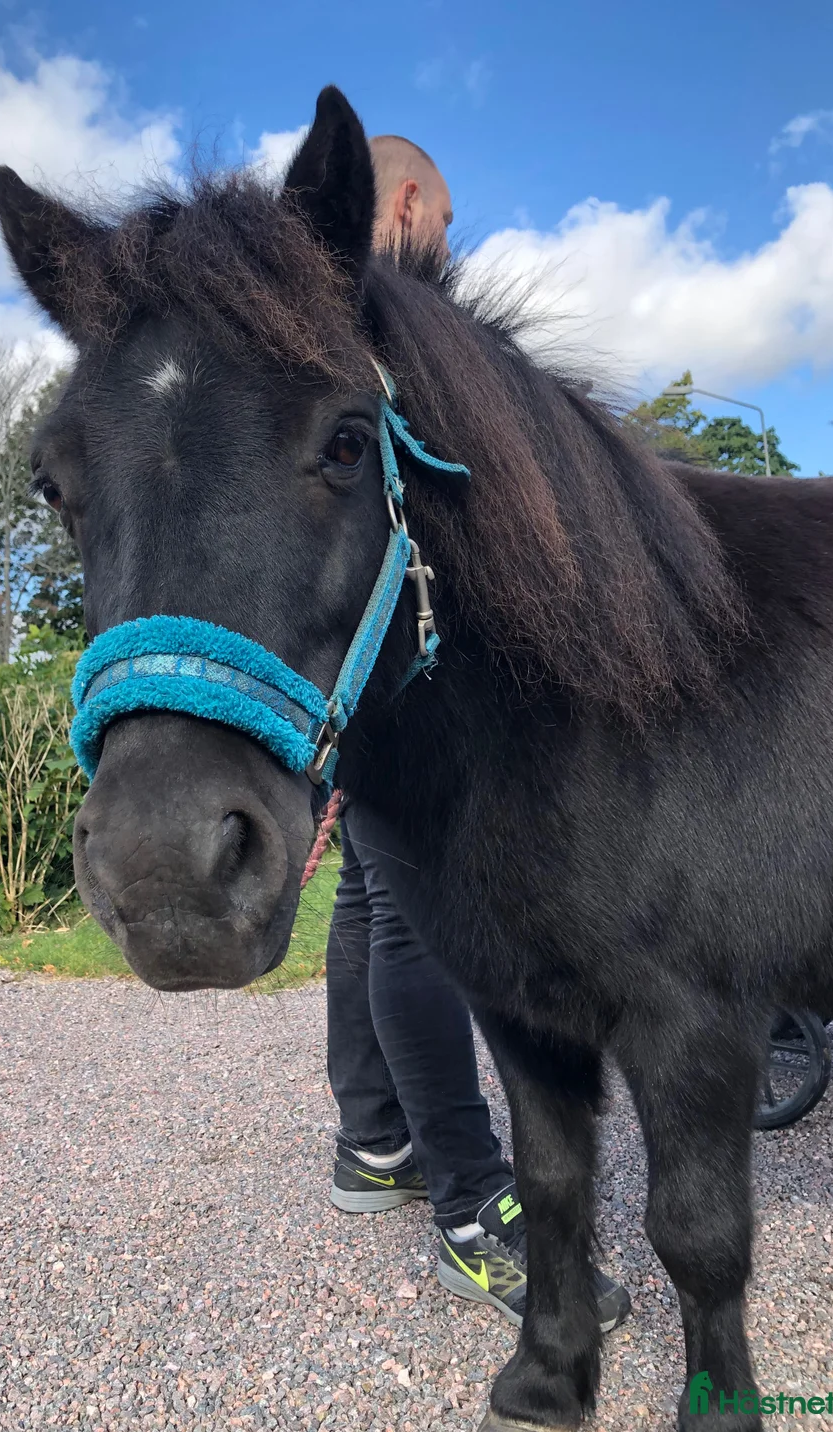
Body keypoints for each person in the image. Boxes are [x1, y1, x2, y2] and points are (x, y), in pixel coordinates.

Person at [323, 136, 631, 1333]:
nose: (451, 241)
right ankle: (470, 1201)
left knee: (365, 898)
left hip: (354, 661)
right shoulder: (384, 327)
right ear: (406, 204)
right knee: (407, 910)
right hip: (403, 673)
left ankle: (376, 1139)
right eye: (445, 218)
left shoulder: (320, 332)